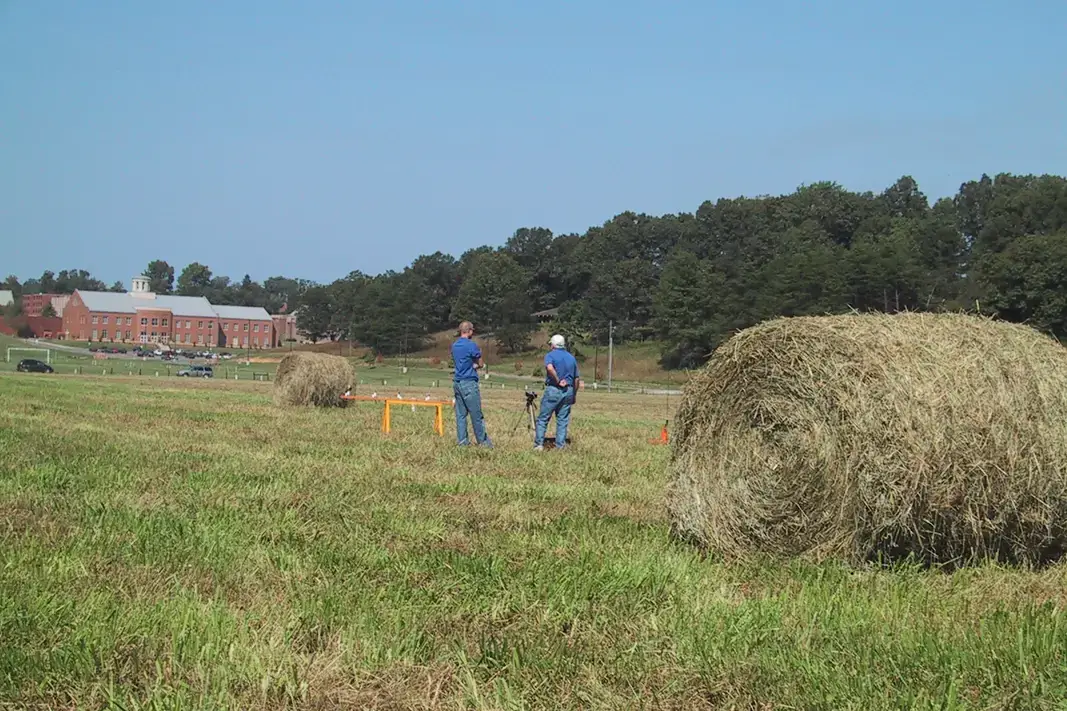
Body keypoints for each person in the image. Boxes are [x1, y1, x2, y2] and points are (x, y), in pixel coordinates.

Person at [450, 321, 492, 448]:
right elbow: (480, 363)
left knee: (461, 415)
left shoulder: (455, 345)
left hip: (457, 382)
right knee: (476, 414)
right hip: (469, 382)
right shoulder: (471, 345)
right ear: (469, 331)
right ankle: (483, 442)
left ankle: (462, 442)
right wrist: (476, 365)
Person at [534, 334, 579, 451]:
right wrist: (574, 394)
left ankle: (539, 444)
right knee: (563, 420)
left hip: (554, 389)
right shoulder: (571, 358)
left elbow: (549, 368)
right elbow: (576, 379)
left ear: (553, 345)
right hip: (569, 390)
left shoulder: (550, 355)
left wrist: (558, 380)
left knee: (543, 418)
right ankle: (560, 446)